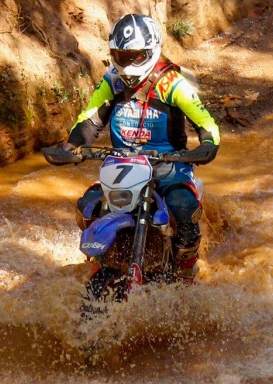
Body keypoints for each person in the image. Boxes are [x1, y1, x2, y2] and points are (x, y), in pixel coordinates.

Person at [63, 14, 220, 283]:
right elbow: (90, 120)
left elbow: (206, 123)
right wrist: (72, 145)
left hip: (169, 165)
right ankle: (100, 257)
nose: (127, 63)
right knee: (87, 206)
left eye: (135, 55)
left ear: (150, 51)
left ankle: (186, 270)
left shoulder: (172, 84)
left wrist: (207, 144)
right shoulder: (112, 81)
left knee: (184, 210)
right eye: (121, 55)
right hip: (122, 166)